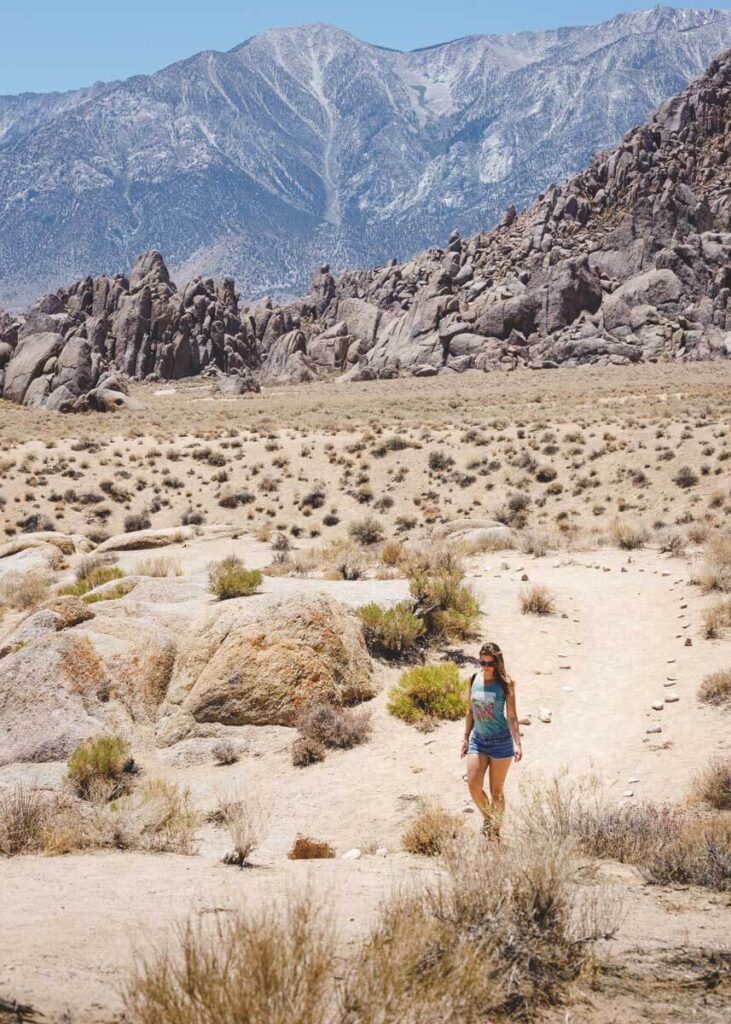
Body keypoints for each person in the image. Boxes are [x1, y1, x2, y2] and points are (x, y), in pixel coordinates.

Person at [460, 641, 522, 838]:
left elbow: (512, 716)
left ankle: (495, 832)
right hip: (478, 739)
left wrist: (517, 743)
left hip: (500, 741)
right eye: (482, 662)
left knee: (497, 792)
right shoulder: (473, 679)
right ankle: (489, 818)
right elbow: (470, 711)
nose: (486, 666)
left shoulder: (506, 684)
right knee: (473, 784)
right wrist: (465, 738)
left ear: (497, 663)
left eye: (490, 663)